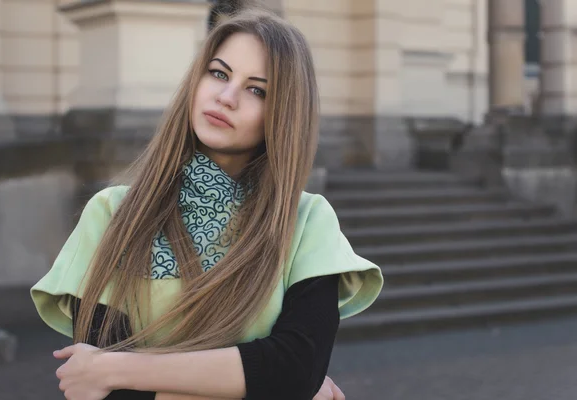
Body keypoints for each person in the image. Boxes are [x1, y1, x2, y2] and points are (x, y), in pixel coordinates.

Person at [30, 5, 383, 400]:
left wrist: (118, 367)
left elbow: (295, 368)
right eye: (219, 73)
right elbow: (114, 397)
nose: (226, 97)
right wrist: (265, 384)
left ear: (283, 114)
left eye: (257, 89)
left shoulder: (305, 221)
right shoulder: (113, 214)